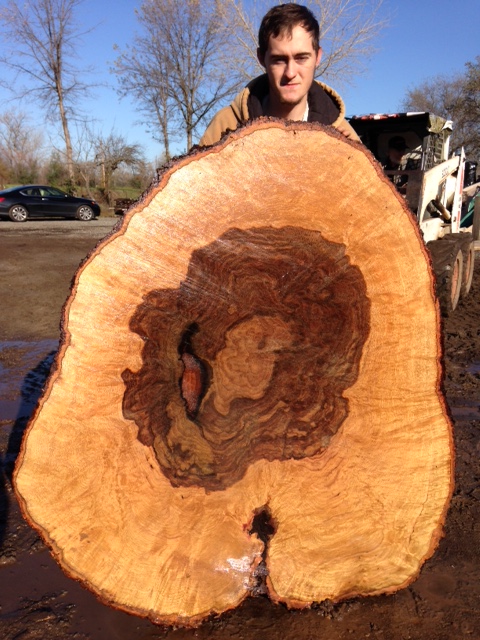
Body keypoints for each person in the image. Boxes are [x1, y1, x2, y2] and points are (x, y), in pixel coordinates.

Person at [199, 3, 360, 146]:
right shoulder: (226, 127)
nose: (290, 73)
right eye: (279, 60)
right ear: (262, 58)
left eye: (301, 58)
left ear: (317, 57)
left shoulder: (344, 139)